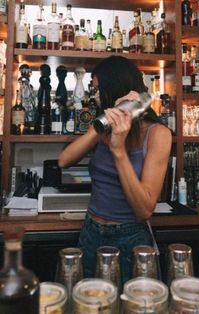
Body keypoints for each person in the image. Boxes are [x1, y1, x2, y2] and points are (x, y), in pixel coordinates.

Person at [58, 55, 172, 285]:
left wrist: (118, 149)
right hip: (91, 232)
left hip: (131, 238)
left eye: (99, 90)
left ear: (114, 87)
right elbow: (64, 161)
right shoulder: (105, 129)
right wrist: (106, 120)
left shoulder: (158, 134)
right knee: (89, 305)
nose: (95, 96)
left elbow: (144, 210)